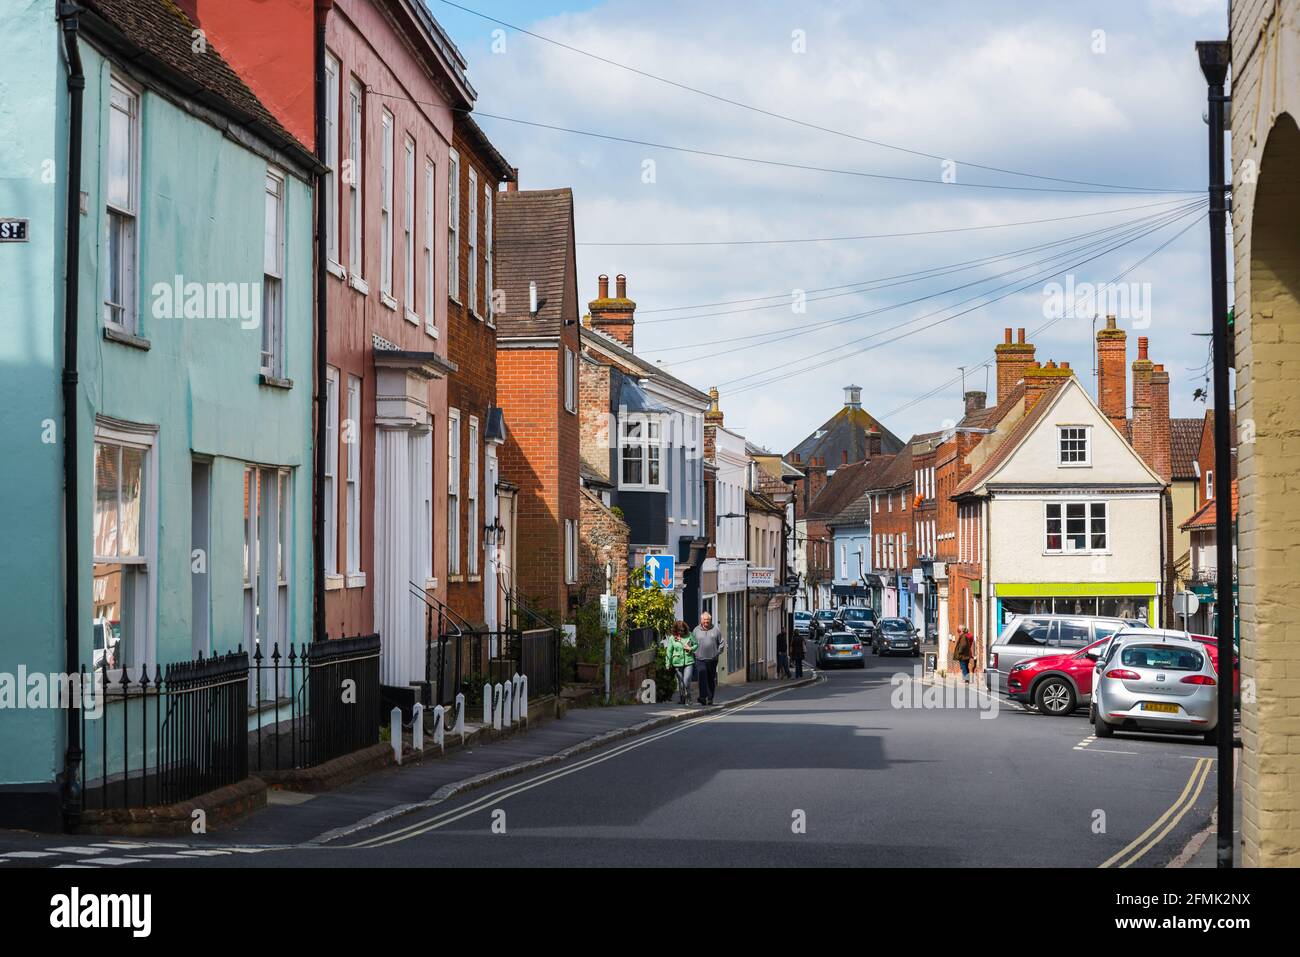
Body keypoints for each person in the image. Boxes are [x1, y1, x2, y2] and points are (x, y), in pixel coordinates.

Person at [692, 612, 724, 705]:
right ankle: (702, 697)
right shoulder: (696, 630)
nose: (706, 622)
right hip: (700, 658)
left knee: (710, 678)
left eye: (708, 621)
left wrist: (717, 652)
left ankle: (710, 698)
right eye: (705, 621)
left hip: (712, 659)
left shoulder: (716, 630)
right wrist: (694, 651)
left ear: (710, 620)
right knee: (702, 675)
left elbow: (721, 642)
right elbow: (692, 642)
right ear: (701, 620)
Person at [665, 621, 697, 705]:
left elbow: (696, 645)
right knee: (681, 682)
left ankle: (688, 696)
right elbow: (669, 651)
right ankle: (682, 698)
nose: (681, 632)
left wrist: (690, 648)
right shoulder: (672, 638)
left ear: (685, 629)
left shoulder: (690, 635)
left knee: (686, 681)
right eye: (679, 630)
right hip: (677, 662)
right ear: (676, 630)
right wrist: (668, 663)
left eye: (682, 630)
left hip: (688, 661)